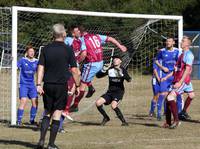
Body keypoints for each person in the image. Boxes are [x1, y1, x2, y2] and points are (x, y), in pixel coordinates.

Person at [36, 23, 80, 149]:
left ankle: (41, 141)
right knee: (57, 114)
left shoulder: (45, 49)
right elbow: (74, 70)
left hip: (47, 85)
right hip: (61, 86)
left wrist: (38, 84)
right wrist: (77, 86)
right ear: (64, 34)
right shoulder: (68, 49)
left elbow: (40, 67)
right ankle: (51, 144)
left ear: (53, 34)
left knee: (47, 113)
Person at [69, 26, 127, 112]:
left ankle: (75, 105)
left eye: (75, 33)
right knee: (80, 74)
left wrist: (77, 61)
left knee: (82, 85)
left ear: (79, 33)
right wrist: (120, 46)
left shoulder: (82, 39)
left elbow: (84, 54)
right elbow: (110, 38)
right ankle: (91, 87)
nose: (74, 35)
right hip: (100, 62)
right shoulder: (96, 36)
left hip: (92, 64)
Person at [165, 36, 195, 129]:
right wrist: (167, 76)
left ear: (188, 44)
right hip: (182, 79)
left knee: (170, 97)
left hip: (182, 80)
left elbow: (187, 70)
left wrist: (180, 82)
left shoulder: (189, 55)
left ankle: (177, 121)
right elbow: (178, 69)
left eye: (183, 41)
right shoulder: (182, 54)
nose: (181, 42)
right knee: (191, 96)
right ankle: (176, 117)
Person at [95, 55, 131, 126]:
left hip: (118, 92)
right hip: (110, 92)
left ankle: (124, 122)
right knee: (98, 103)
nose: (114, 60)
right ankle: (106, 117)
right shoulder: (110, 69)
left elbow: (129, 79)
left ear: (120, 61)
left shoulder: (122, 70)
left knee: (113, 106)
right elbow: (98, 76)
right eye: (114, 59)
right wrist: (103, 70)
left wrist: (122, 75)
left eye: (116, 59)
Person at [155, 37, 181, 120]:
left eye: (169, 41)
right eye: (167, 41)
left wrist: (177, 67)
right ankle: (159, 114)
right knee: (163, 94)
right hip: (164, 75)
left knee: (177, 94)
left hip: (174, 75)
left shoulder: (177, 51)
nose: (167, 42)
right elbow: (156, 61)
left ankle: (178, 113)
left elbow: (179, 62)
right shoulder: (162, 51)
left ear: (173, 42)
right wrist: (162, 67)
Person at [17, 45, 38, 125]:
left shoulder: (36, 61)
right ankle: (18, 121)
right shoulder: (22, 60)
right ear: (27, 53)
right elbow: (15, 66)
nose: (32, 53)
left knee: (35, 102)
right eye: (30, 51)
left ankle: (32, 120)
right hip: (23, 84)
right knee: (23, 101)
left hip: (32, 84)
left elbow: (40, 70)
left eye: (33, 51)